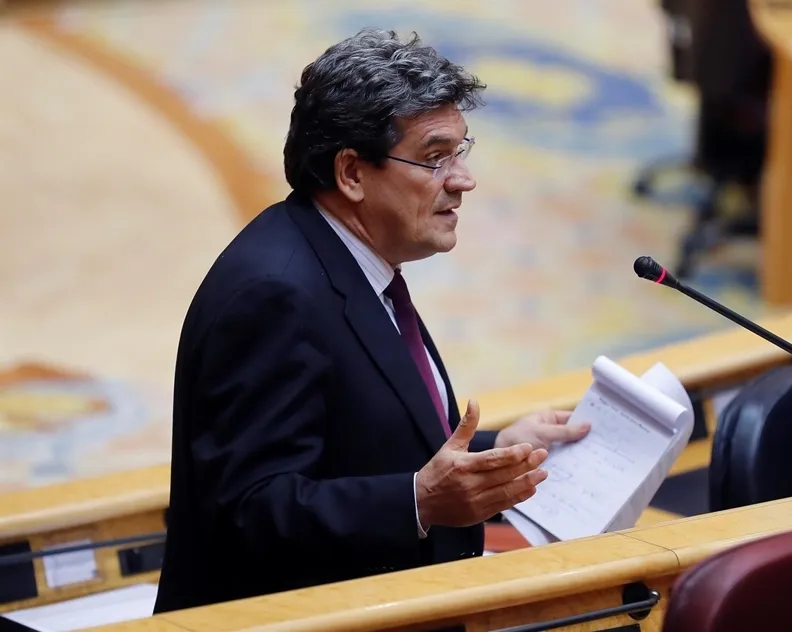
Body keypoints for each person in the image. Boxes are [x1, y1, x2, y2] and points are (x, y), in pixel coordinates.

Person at [153, 28, 590, 614]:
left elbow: (362, 441)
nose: (463, 180)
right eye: (436, 158)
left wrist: (495, 451)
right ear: (352, 173)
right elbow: (248, 511)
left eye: (461, 152)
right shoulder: (273, 294)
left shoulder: (349, 260)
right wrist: (417, 502)